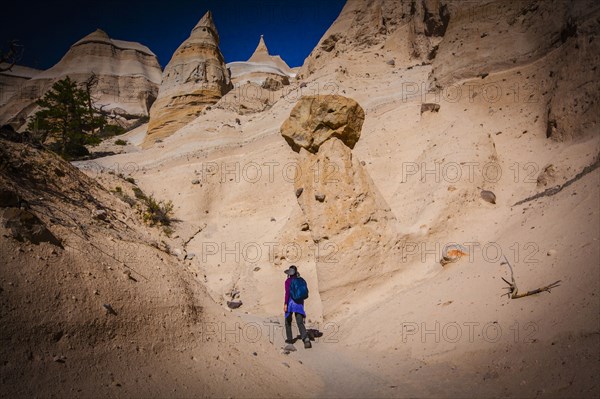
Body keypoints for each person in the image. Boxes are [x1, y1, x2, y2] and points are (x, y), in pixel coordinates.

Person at [284, 265, 311, 349]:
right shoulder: (301, 280)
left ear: (290, 273)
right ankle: (306, 339)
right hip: (299, 303)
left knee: (288, 321)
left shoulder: (288, 281)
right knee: (299, 322)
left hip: (291, 303)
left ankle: (290, 341)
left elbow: (287, 293)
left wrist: (285, 303)